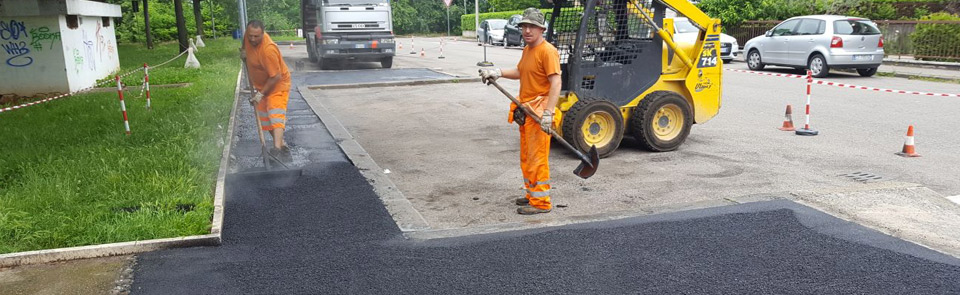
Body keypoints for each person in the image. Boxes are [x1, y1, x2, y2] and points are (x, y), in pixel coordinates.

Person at [480, 8, 561, 215]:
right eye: (524, 26)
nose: (527, 30)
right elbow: (520, 71)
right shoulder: (527, 50)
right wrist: (497, 72)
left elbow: (556, 82)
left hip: (539, 112)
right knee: (527, 157)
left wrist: (549, 113)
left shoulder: (547, 51)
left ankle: (542, 203)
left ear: (541, 29)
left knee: (537, 158)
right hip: (527, 111)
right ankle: (531, 194)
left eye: (532, 26)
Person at [242, 20, 292, 160]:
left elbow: (275, 77)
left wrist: (261, 94)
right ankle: (282, 147)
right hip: (261, 85)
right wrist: (243, 52)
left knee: (275, 114)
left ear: (263, 34)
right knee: (265, 120)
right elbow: (244, 44)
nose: (252, 39)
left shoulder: (268, 50)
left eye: (256, 36)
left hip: (278, 84)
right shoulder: (248, 36)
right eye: (250, 35)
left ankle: (276, 150)